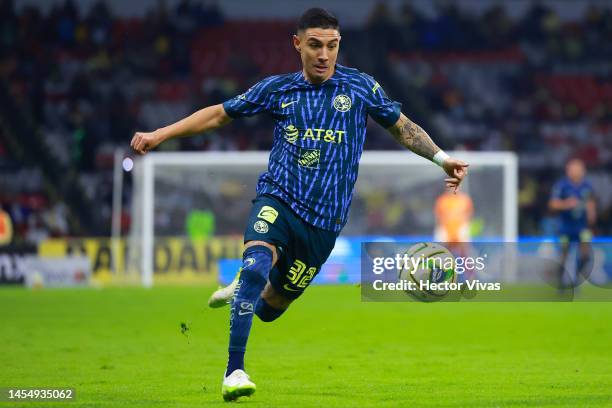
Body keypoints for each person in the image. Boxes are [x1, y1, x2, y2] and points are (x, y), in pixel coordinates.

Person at [130, 8, 468, 401]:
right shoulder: (278, 90)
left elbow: (403, 128)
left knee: (271, 309)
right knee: (257, 265)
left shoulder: (360, 88)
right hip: (278, 199)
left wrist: (443, 158)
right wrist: (160, 134)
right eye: (314, 45)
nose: (324, 54)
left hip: (323, 226)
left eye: (332, 46)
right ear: (297, 45)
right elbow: (221, 114)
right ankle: (234, 370)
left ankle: (245, 288)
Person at [548, 158, 596, 290]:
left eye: (579, 169)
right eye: (574, 168)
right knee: (563, 255)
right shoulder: (561, 185)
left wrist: (592, 213)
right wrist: (566, 204)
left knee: (585, 255)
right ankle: (561, 284)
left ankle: (575, 279)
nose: (577, 171)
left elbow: (591, 202)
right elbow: (552, 204)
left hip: (582, 226)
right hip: (565, 226)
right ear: (568, 170)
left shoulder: (587, 186)